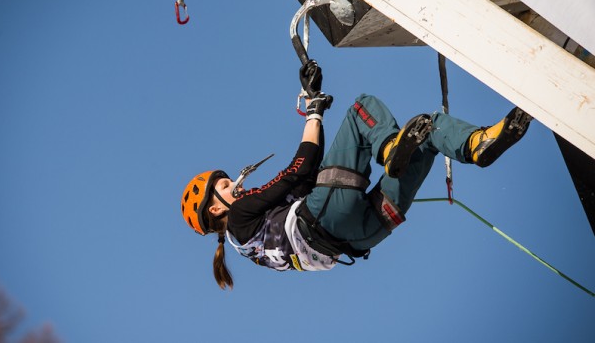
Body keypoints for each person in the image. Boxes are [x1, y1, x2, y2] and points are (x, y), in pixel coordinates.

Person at [180, 61, 532, 289]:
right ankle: (389, 148)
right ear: (215, 209)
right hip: (323, 217)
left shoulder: (251, 243)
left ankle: (477, 144)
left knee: (428, 130)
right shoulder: (241, 215)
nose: (237, 185)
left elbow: (306, 174)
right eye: (226, 186)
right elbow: (298, 171)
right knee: (362, 108)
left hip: (365, 234)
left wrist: (314, 108)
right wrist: (313, 108)